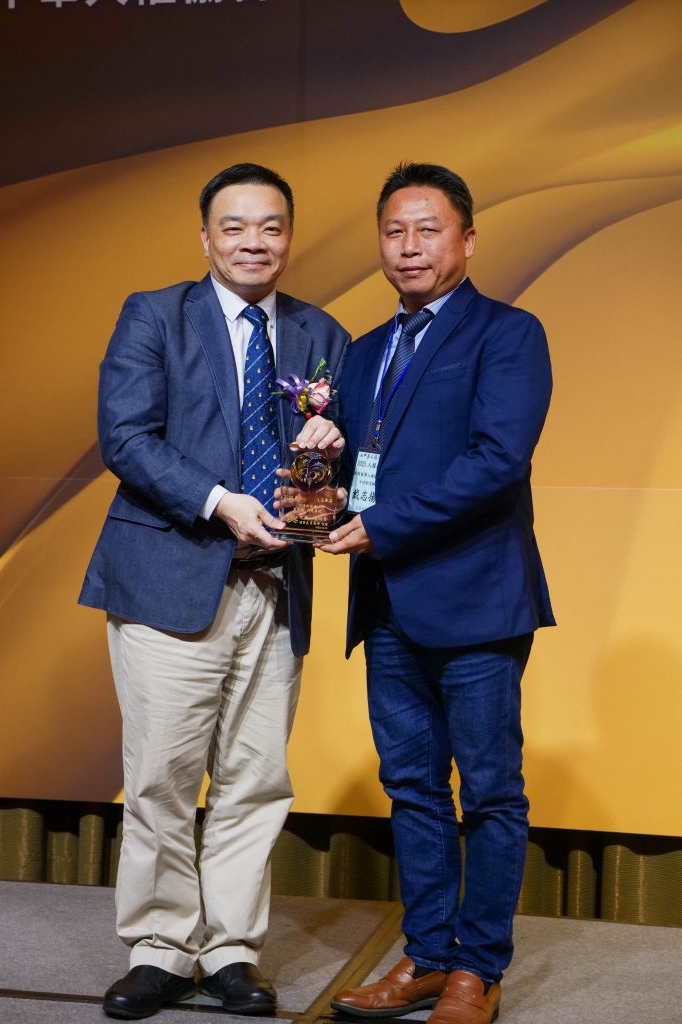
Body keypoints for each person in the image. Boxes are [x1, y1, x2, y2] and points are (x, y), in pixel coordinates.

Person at [79, 162, 349, 1020]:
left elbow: (337, 460)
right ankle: (160, 948)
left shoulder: (320, 332)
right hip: (171, 579)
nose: (253, 242)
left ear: (289, 236)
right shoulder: (155, 315)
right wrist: (218, 500)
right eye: (234, 227)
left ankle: (232, 950)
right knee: (161, 778)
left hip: (276, 588)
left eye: (270, 226)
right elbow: (126, 436)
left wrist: (335, 457)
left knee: (255, 779)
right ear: (205, 237)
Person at [321, 162, 554, 1024]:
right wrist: (318, 486)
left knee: (489, 790)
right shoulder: (364, 351)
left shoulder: (509, 333)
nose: (409, 247)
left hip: (477, 602)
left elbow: (498, 461)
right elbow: (359, 467)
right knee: (413, 787)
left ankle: (477, 970)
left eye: (428, 229)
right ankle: (426, 955)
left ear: (467, 238)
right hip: (387, 604)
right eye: (394, 231)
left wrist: (382, 526)